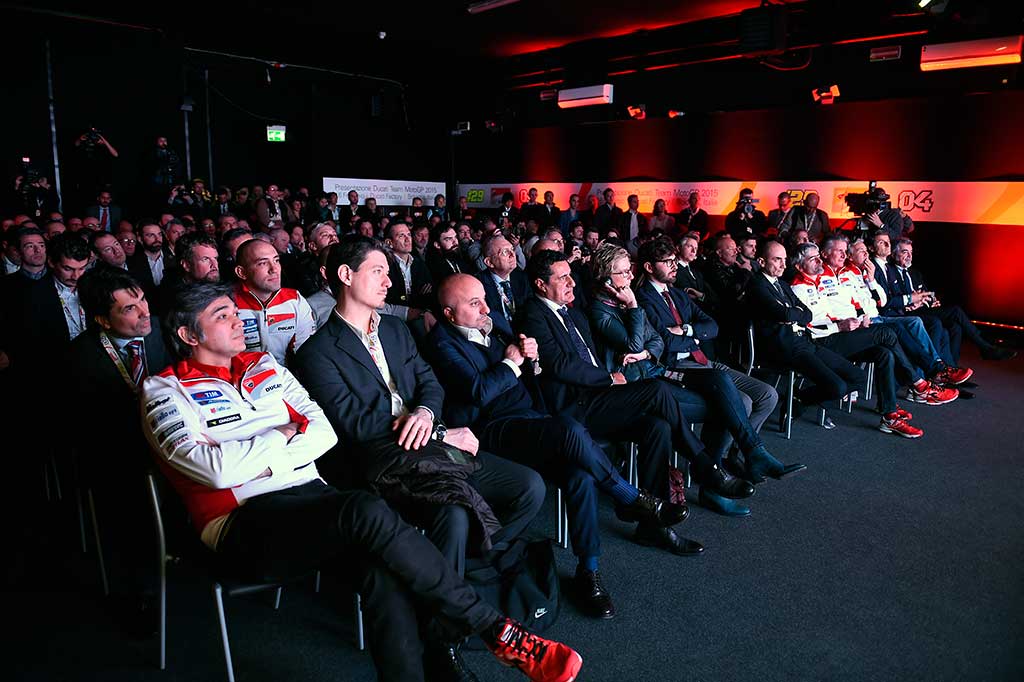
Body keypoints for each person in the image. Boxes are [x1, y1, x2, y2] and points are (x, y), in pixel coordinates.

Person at [142, 282, 582, 682]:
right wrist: (283, 435)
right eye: (222, 315)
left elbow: (323, 434)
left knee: (382, 571)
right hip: (241, 522)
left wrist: (258, 454)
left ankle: (450, 652)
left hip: (312, 503)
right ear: (188, 334)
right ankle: (494, 627)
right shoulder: (163, 391)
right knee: (365, 509)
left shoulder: (265, 366)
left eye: (234, 311)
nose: (238, 320)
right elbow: (215, 471)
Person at [426, 274, 687, 618]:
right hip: (491, 431)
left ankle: (588, 570)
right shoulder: (441, 344)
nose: (486, 309)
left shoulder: (494, 323)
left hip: (530, 418)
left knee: (580, 473)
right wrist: (511, 362)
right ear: (449, 313)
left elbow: (527, 375)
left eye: (485, 300)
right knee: (569, 429)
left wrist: (531, 361)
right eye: (474, 303)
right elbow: (479, 392)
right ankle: (632, 498)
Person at [292, 236, 544, 582]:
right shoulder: (317, 352)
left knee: (529, 486)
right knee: (454, 515)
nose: (388, 281)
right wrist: (440, 432)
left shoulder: (395, 329)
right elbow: (354, 423)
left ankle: (465, 572)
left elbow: (430, 384)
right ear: (346, 275)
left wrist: (425, 413)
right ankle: (448, 601)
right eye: (378, 271)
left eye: (388, 272)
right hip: (383, 461)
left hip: (431, 449)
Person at [518, 250, 753, 554]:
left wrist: (613, 368)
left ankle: (654, 527)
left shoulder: (573, 313)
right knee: (656, 390)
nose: (571, 282)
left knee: (658, 427)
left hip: (597, 397)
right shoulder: (532, 313)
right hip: (570, 408)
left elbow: (653, 343)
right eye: (562, 277)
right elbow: (559, 364)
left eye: (570, 275)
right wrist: (607, 377)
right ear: (540, 284)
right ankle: (706, 465)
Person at [70, 266, 172, 633]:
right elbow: (89, 430)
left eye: (142, 300)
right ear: (102, 319)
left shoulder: (159, 330)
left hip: (170, 443)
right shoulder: (81, 357)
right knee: (129, 501)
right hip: (119, 455)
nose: (144, 312)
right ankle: (140, 592)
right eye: (129, 308)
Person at [788, 242, 927, 437]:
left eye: (818, 256)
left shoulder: (823, 278)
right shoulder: (798, 288)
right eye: (813, 258)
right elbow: (807, 328)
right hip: (822, 342)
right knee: (886, 333)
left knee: (884, 353)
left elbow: (849, 306)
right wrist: (839, 326)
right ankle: (918, 381)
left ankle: (889, 414)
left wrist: (857, 319)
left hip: (841, 333)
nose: (819, 261)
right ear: (799, 266)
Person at [747, 242, 878, 427]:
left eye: (784, 259)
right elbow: (785, 314)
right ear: (761, 262)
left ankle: (798, 399)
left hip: (805, 341)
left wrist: (792, 314)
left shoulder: (782, 284)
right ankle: (799, 401)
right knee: (837, 387)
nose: (783, 265)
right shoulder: (757, 285)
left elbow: (807, 314)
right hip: (784, 347)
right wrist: (792, 314)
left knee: (859, 377)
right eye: (777, 260)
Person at [889, 238, 1016, 362]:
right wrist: (914, 301)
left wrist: (931, 301)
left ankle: (952, 368)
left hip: (924, 309)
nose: (909, 256)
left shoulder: (915, 273)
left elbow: (927, 294)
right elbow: (897, 299)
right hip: (908, 313)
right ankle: (984, 346)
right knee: (955, 311)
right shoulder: (890, 272)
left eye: (911, 252)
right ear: (894, 254)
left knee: (955, 327)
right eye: (905, 252)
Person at [233, 239, 316, 366]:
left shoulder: (294, 300)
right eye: (262, 263)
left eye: (276, 260)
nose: (274, 269)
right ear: (242, 272)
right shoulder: (228, 303)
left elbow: (306, 353)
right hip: (239, 376)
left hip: (286, 375)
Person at [476, 234, 529, 334]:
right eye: (505, 252)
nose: (512, 255)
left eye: (512, 249)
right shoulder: (478, 285)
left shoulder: (522, 277)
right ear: (489, 262)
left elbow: (531, 311)